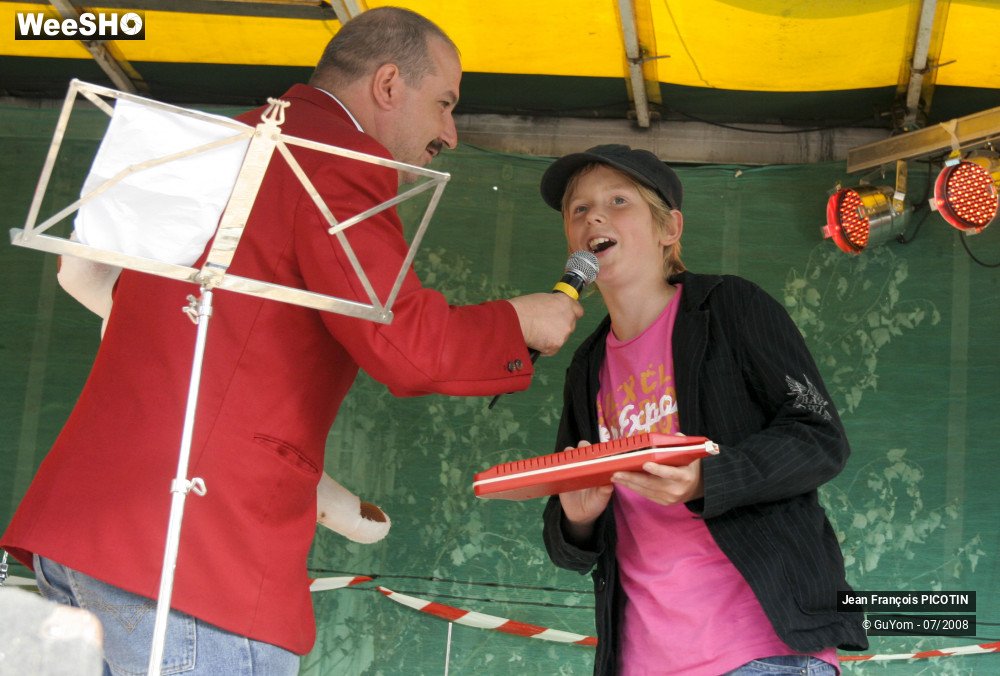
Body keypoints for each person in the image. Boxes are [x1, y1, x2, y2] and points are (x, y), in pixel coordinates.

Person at [1, 7, 582, 675]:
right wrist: (519, 321)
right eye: (445, 104)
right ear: (389, 84)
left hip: (84, 533)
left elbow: (94, 281)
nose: (450, 131)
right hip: (196, 558)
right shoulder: (334, 159)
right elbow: (406, 346)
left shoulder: (215, 142)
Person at [539, 144, 868, 675]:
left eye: (618, 201)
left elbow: (820, 435)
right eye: (579, 210)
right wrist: (578, 518)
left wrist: (706, 479)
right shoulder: (587, 366)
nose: (594, 216)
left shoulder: (730, 307)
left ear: (670, 227)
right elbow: (569, 544)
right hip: (639, 662)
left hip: (762, 651)